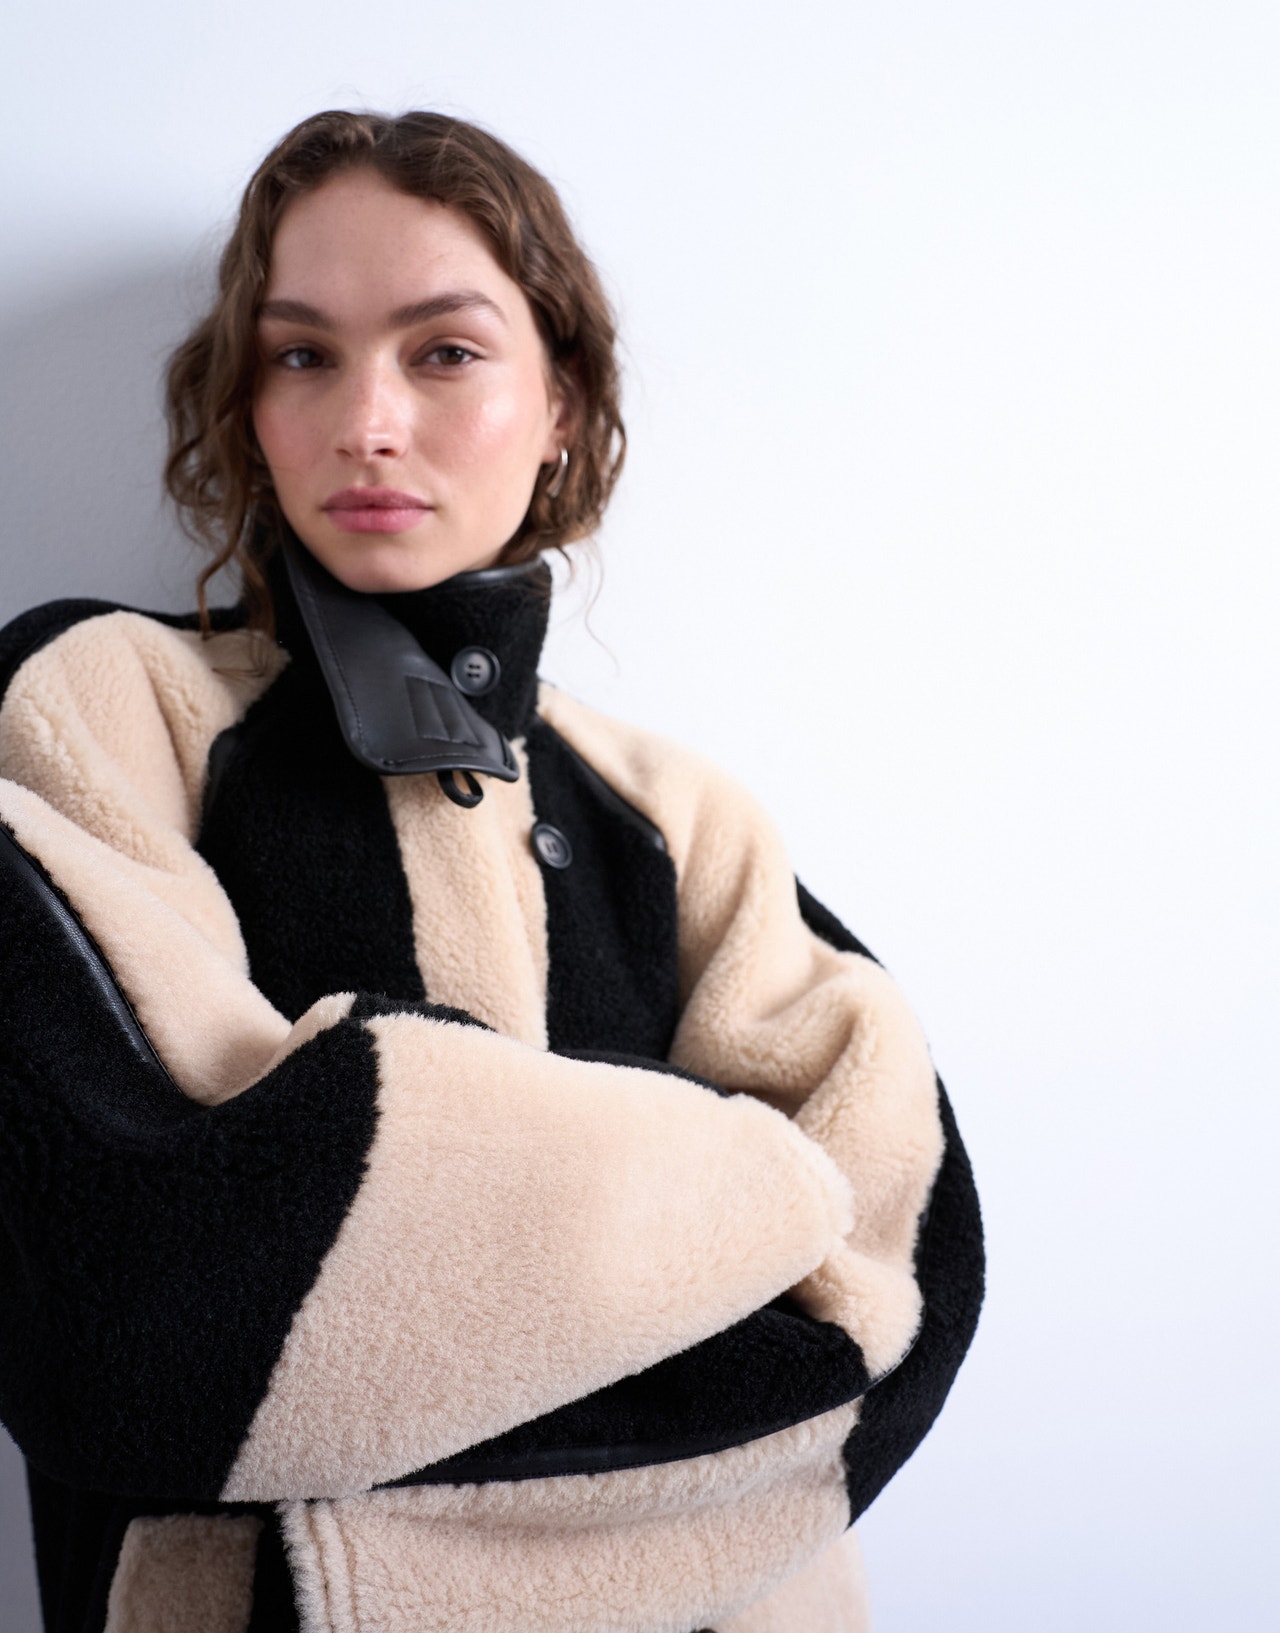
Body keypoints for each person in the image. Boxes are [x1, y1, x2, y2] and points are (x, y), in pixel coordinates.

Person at [0, 110, 984, 1633]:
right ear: (245, 403)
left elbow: (890, 1296)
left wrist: (388, 1165)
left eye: (445, 352)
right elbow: (133, 1312)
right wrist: (729, 1185)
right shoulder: (105, 704)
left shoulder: (684, 815)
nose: (366, 420)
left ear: (562, 403)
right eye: (302, 354)